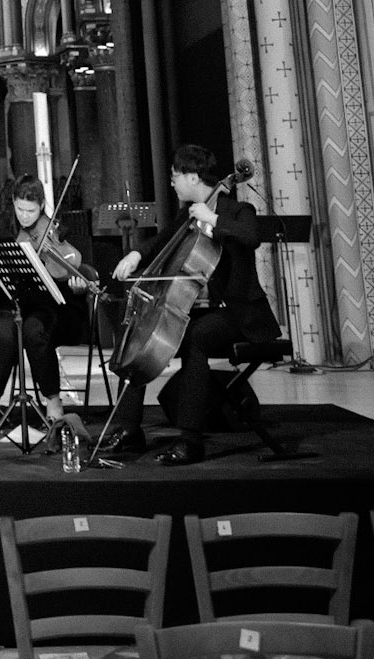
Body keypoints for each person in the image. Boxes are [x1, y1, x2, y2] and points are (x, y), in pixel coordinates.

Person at [105, 142, 280, 464]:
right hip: (203, 311)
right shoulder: (186, 216)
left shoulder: (238, 211)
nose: (171, 182)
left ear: (193, 177)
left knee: (195, 337)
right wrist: (136, 254)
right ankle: (128, 428)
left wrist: (212, 218)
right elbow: (163, 239)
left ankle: (191, 440)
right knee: (141, 335)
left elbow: (251, 237)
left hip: (239, 314)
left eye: (175, 175)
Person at [0, 175, 89, 428]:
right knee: (4, 331)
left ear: (41, 206)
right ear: (13, 203)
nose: (25, 217)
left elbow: (69, 265)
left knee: (34, 330)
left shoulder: (54, 229)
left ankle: (53, 400)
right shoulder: (0, 227)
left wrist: (78, 284)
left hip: (44, 306)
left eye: (31, 211)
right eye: (20, 209)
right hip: (8, 302)